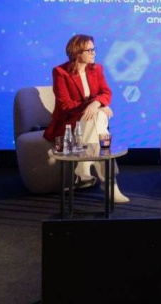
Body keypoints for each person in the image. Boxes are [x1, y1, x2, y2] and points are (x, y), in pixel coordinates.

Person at [44, 34, 128, 203]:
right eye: (89, 50)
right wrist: (94, 106)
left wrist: (96, 104)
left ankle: (83, 169)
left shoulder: (96, 69)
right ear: (76, 53)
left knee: (98, 118)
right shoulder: (60, 72)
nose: (93, 53)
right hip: (70, 123)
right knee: (100, 124)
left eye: (94, 49)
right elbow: (65, 105)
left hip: (90, 123)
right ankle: (110, 185)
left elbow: (106, 92)